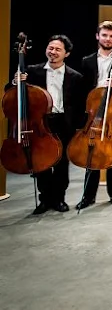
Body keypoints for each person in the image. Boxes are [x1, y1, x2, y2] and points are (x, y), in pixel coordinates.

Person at [7, 35, 84, 214]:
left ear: (67, 53)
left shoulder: (75, 76)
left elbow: (79, 104)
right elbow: (9, 92)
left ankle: (59, 199)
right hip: (39, 123)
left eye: (58, 49)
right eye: (51, 48)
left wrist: (77, 125)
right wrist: (15, 82)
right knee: (41, 163)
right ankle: (45, 199)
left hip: (63, 123)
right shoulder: (32, 71)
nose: (53, 52)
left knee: (61, 163)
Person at [76, 20, 112, 209]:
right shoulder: (87, 60)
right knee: (91, 152)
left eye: (111, 36)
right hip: (94, 112)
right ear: (97, 36)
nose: (108, 39)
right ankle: (88, 196)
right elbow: (83, 89)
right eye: (104, 35)